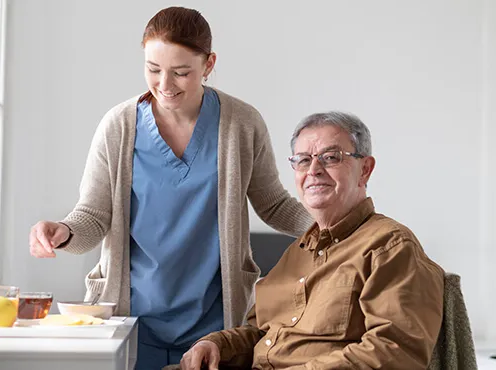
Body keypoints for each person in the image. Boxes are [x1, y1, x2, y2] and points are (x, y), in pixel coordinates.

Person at [28, 7, 312, 369]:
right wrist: (63, 231)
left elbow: (273, 204)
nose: (164, 85)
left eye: (181, 73)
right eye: (153, 69)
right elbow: (93, 217)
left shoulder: (241, 123)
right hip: (130, 320)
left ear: (209, 64)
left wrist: (340, 229)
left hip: (213, 324)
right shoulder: (118, 126)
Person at [180, 111, 445, 370]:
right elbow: (263, 334)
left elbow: (395, 351)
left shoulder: (390, 246)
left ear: (365, 169)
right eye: (303, 160)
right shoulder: (297, 252)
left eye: (331, 158)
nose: (314, 170)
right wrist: (215, 344)